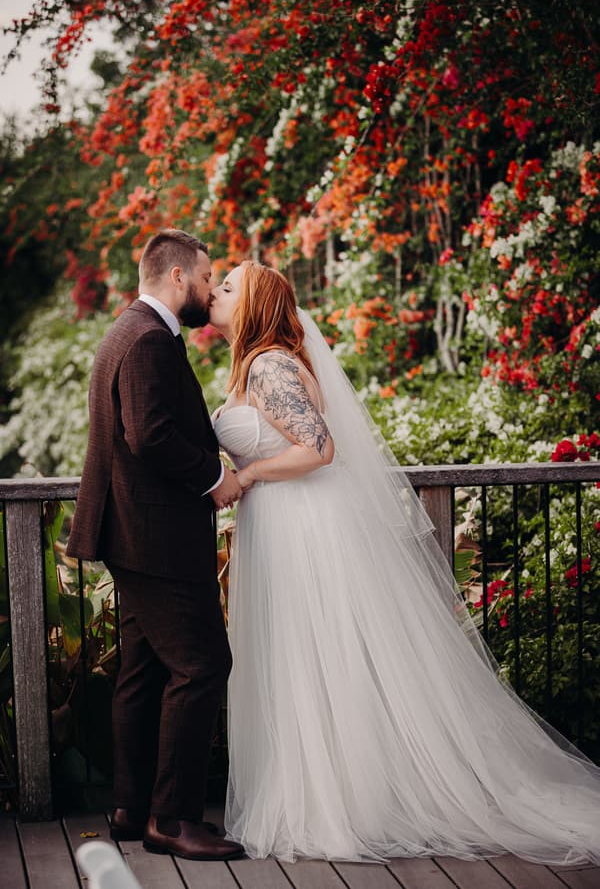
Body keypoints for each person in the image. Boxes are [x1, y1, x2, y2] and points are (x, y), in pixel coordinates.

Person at [209, 260, 600, 865]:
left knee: (316, 654)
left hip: (300, 528)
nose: (216, 292)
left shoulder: (268, 365)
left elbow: (318, 448)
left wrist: (249, 474)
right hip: (281, 525)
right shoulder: (263, 363)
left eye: (228, 286)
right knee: (304, 657)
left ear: (254, 304)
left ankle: (335, 803)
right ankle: (325, 790)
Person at [67, 229, 244, 861]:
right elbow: (150, 435)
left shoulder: (126, 330)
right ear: (176, 277)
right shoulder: (147, 340)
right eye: (204, 278)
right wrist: (217, 478)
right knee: (201, 666)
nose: (206, 288)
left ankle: (130, 806)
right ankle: (172, 819)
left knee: (142, 672)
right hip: (157, 536)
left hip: (134, 533)